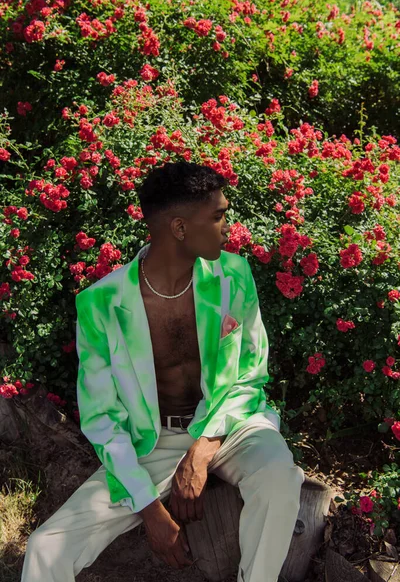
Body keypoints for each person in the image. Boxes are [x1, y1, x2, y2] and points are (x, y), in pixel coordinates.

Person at [21, 161, 304, 582]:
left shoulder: (233, 276)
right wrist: (150, 510)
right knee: (46, 548)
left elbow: (251, 375)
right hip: (150, 443)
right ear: (179, 228)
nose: (227, 226)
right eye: (217, 215)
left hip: (231, 425)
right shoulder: (101, 304)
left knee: (281, 478)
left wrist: (203, 449)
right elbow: (102, 419)